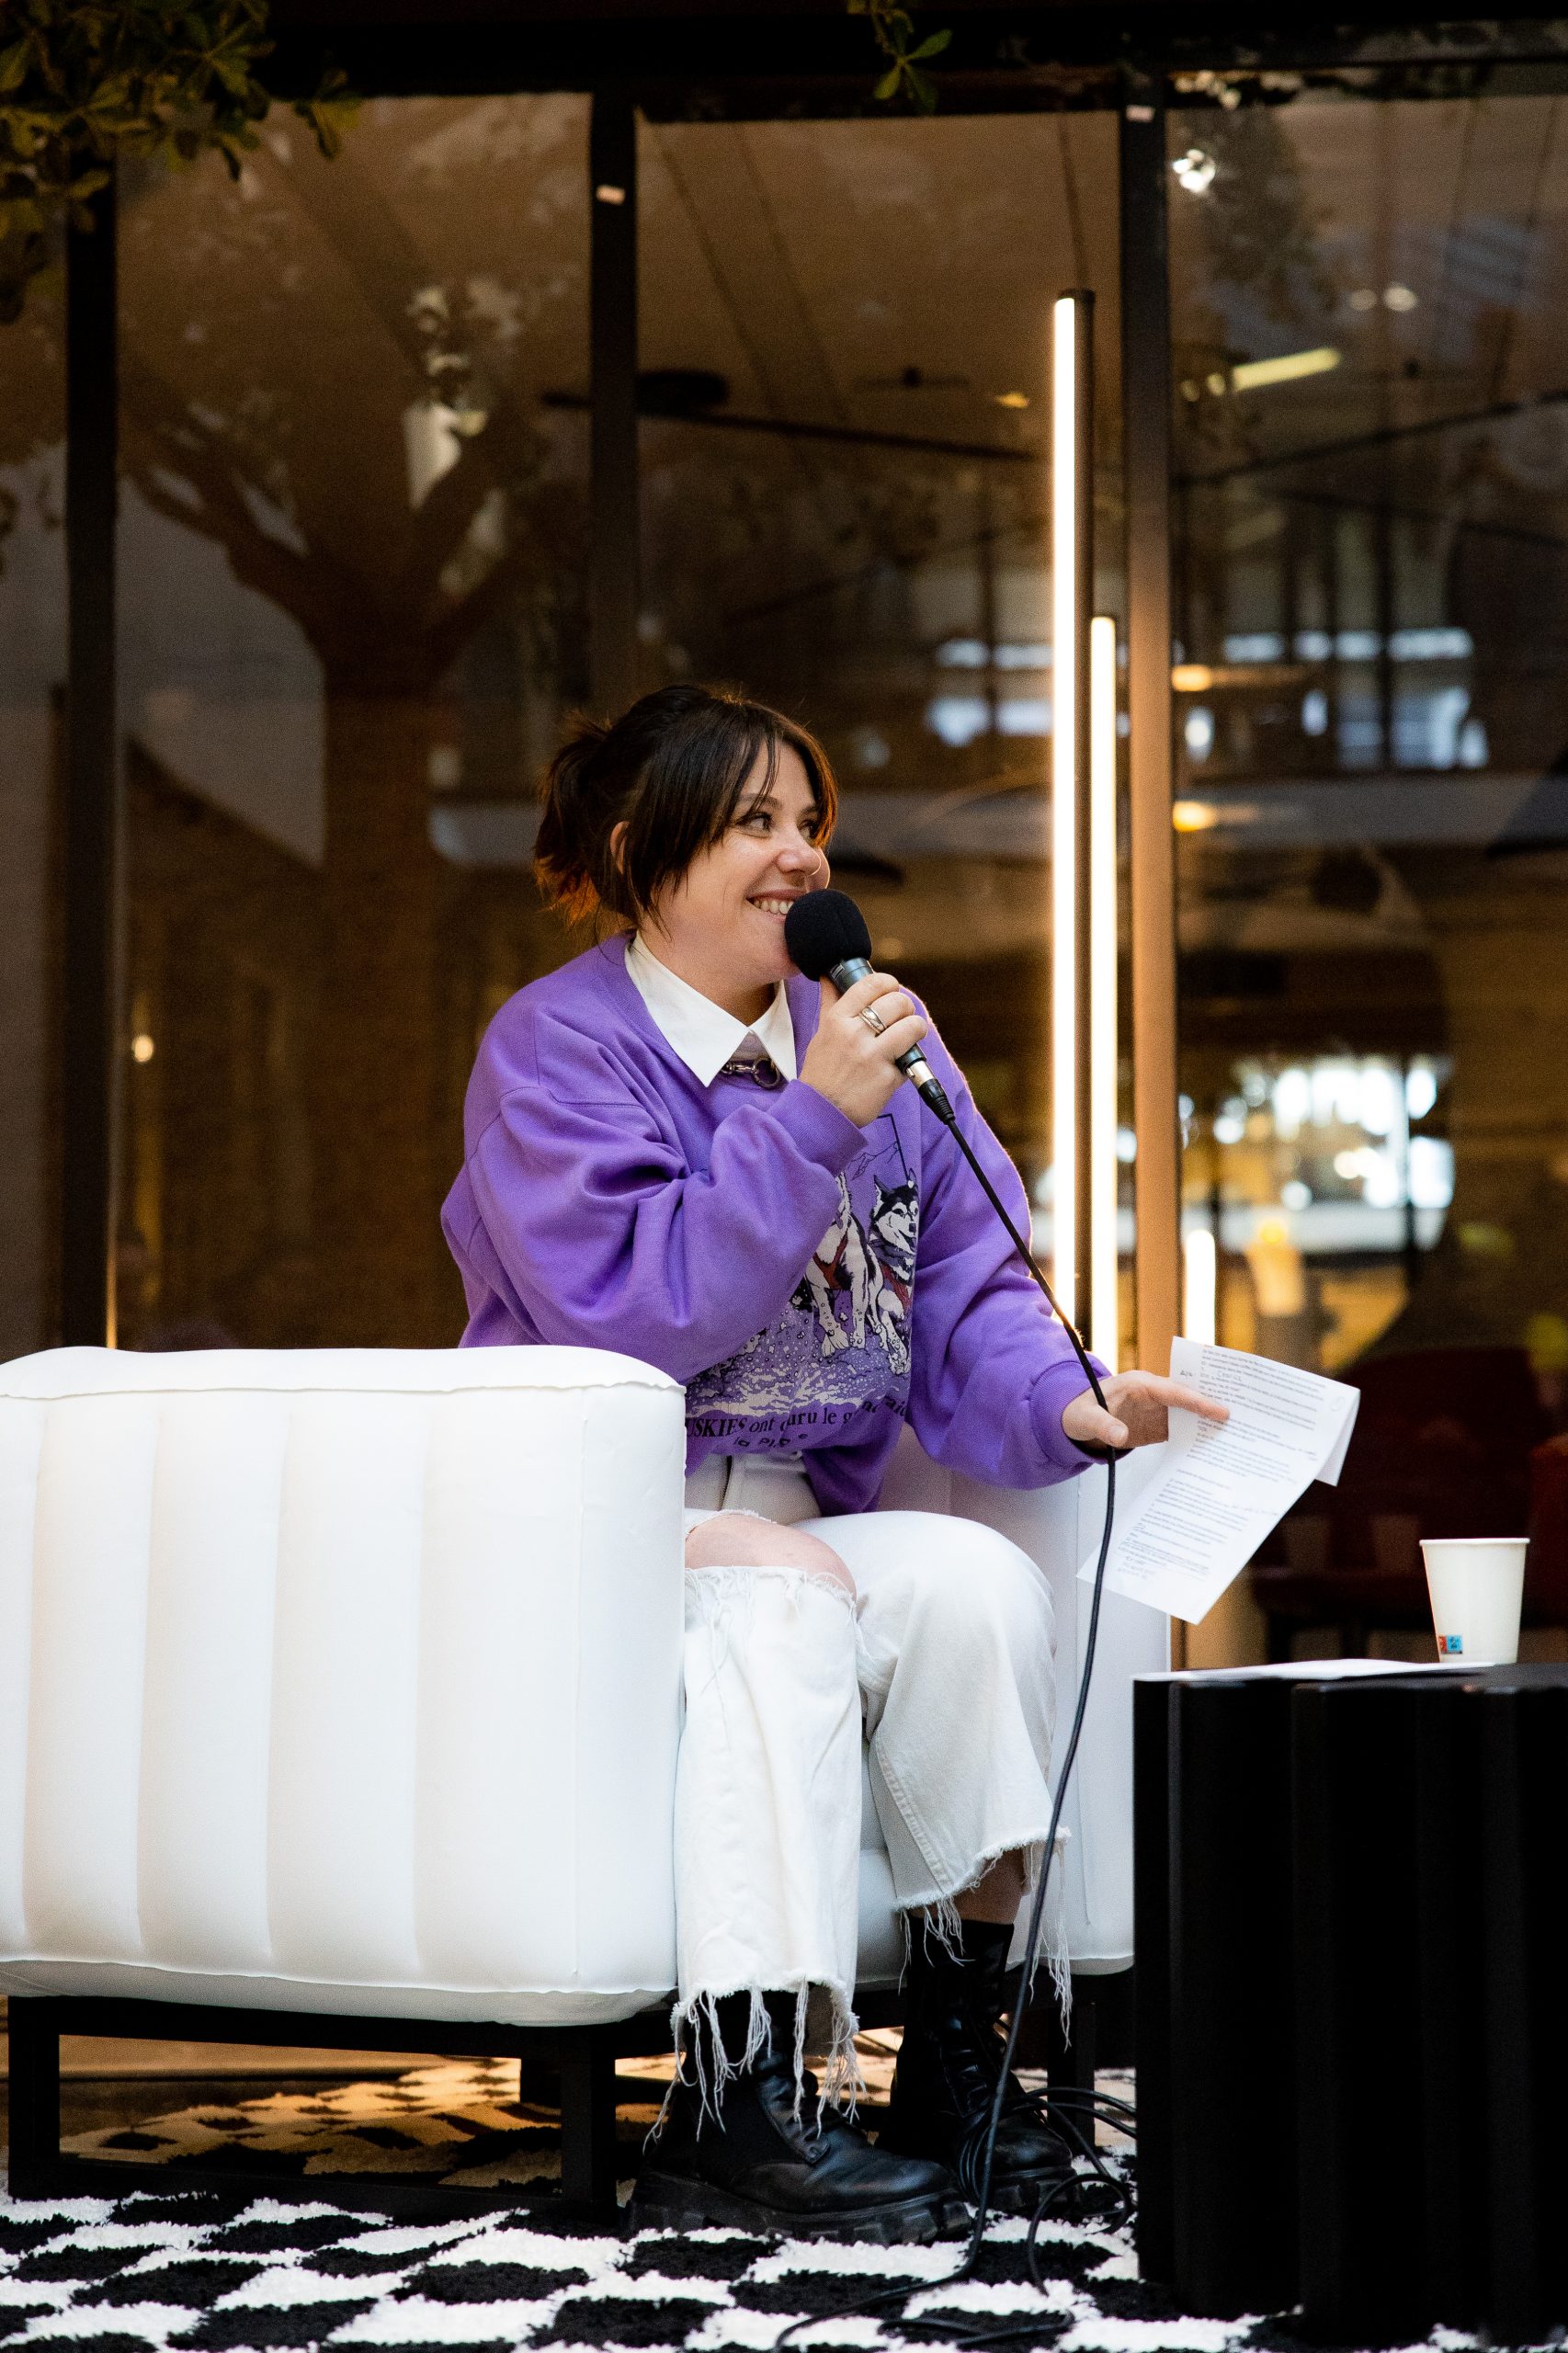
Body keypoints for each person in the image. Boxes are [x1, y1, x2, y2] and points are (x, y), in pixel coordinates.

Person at [441, 682, 1225, 2241]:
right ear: (637, 850)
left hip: (799, 1511)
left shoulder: (868, 1046)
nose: (799, 855)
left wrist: (1068, 1404)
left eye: (809, 822)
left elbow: (971, 1290)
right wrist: (808, 1123)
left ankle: (954, 2064)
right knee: (783, 1593)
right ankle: (735, 2109)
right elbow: (633, 1311)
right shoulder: (556, 1049)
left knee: (971, 1587)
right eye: (753, 822)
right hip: (599, 1522)